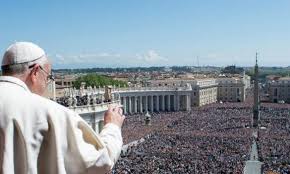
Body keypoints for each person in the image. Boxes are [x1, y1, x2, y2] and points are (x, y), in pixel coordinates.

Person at [0, 42, 125, 174]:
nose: (47, 83)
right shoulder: (52, 113)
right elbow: (99, 161)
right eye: (48, 77)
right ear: (35, 72)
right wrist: (112, 127)